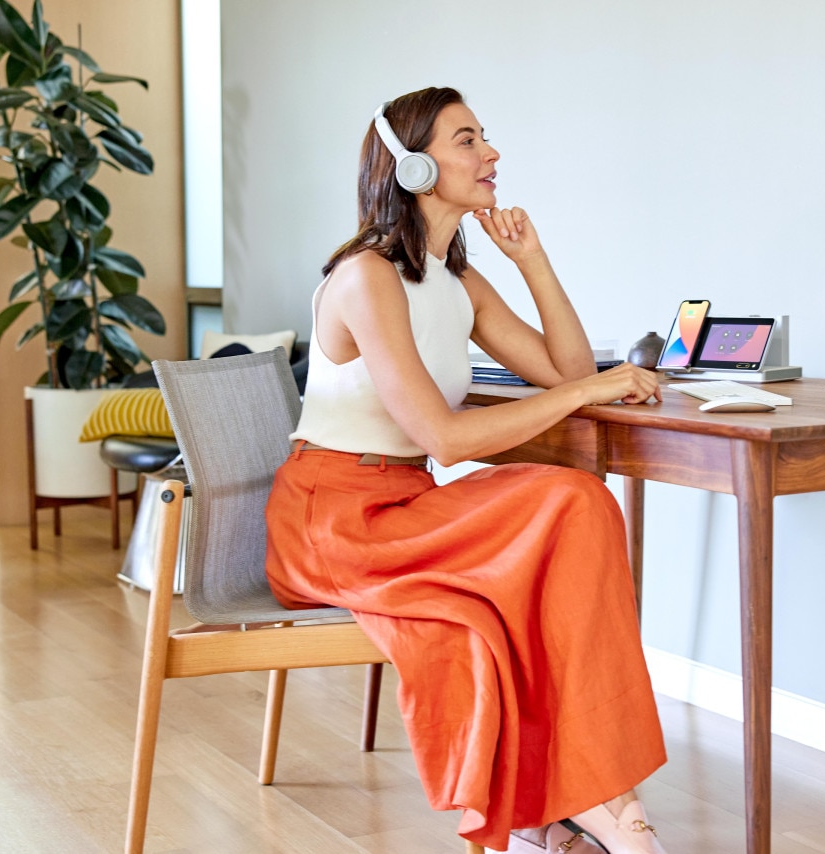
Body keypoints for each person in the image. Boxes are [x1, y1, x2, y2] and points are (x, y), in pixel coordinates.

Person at [263, 87, 669, 854]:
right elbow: (446, 438)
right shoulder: (365, 278)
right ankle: (595, 805)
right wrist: (591, 388)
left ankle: (594, 798)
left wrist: (533, 261)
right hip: (335, 518)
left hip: (405, 503)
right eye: (467, 140)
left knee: (577, 506)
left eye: (484, 138)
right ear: (413, 167)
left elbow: (565, 370)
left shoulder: (455, 282)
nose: (492, 154)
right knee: (568, 507)